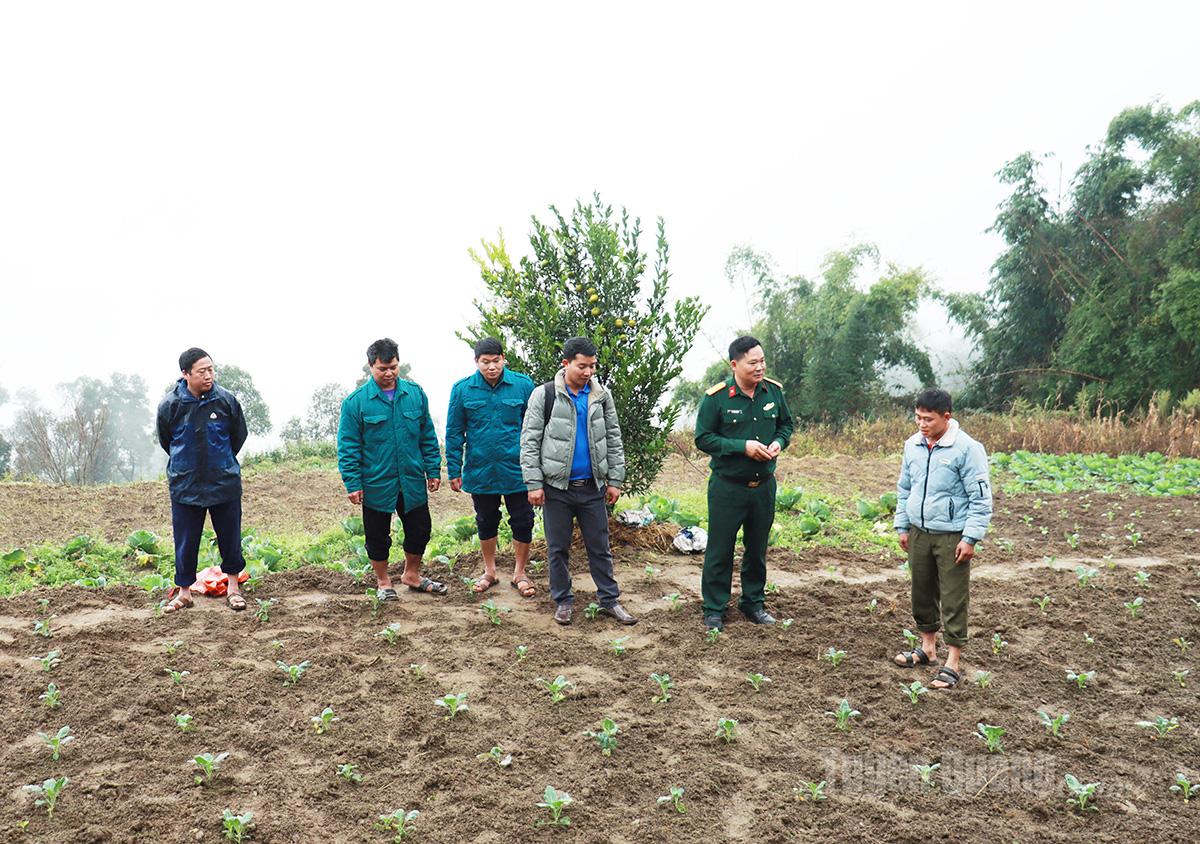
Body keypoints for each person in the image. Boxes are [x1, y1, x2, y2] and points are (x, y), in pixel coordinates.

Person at [519, 336, 636, 626]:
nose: (588, 372)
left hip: (592, 487)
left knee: (600, 546)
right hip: (557, 488)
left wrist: (615, 480)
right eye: (582, 366)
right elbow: (529, 441)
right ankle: (563, 601)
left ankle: (609, 599)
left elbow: (613, 438)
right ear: (566, 363)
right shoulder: (544, 395)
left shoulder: (601, 395)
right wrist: (533, 483)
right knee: (557, 547)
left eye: (592, 366)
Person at [892, 388, 993, 689]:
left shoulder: (967, 449)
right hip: (919, 531)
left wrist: (971, 537)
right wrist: (902, 525)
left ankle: (954, 661)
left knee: (952, 597)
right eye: (918, 418)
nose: (922, 424)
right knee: (921, 591)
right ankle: (927, 649)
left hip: (952, 535)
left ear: (946, 417)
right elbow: (904, 488)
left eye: (928, 419)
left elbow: (981, 499)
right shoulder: (913, 445)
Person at [694, 335, 794, 631]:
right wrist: (742, 447)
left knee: (757, 548)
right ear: (735, 364)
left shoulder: (773, 392)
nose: (760, 367)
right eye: (753, 362)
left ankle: (753, 603)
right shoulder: (717, 397)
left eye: (762, 361)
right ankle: (714, 608)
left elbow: (786, 424)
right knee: (720, 549)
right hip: (728, 486)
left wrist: (778, 442)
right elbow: (703, 438)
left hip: (763, 486)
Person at [337, 338, 444, 599]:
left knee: (420, 530)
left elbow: (427, 435)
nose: (389, 373)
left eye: (393, 367)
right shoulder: (356, 403)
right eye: (382, 368)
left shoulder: (415, 394)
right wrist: (353, 483)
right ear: (370, 366)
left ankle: (412, 574)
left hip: (411, 478)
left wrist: (433, 469)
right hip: (377, 482)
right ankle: (384, 582)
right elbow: (348, 446)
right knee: (377, 536)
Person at [156, 348, 250, 612]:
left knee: (230, 537)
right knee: (186, 540)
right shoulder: (170, 405)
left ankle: (233, 588)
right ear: (186, 374)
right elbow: (167, 441)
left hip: (224, 482)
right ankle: (184, 592)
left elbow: (237, 437)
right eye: (202, 371)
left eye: (211, 369)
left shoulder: (225, 401)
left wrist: (221, 462)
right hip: (186, 485)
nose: (209, 375)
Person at [445, 338, 537, 596]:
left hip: (517, 470)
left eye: (496, 361)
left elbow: (534, 429)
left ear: (503, 358)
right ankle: (490, 571)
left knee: (523, 520)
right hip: (481, 469)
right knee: (486, 520)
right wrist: (454, 470)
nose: (491, 367)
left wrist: (537, 469)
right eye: (485, 362)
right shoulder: (462, 390)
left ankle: (520, 573)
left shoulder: (523, 385)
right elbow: (454, 432)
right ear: (476, 362)